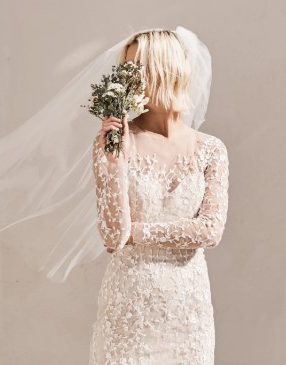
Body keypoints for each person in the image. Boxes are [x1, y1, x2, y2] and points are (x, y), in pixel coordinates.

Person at [89, 29, 229, 364]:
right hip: (129, 309)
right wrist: (115, 164)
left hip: (188, 311)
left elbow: (210, 231)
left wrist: (136, 232)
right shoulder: (116, 142)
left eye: (137, 68)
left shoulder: (210, 149)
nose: (127, 79)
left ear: (167, 70)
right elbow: (112, 236)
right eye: (126, 69)